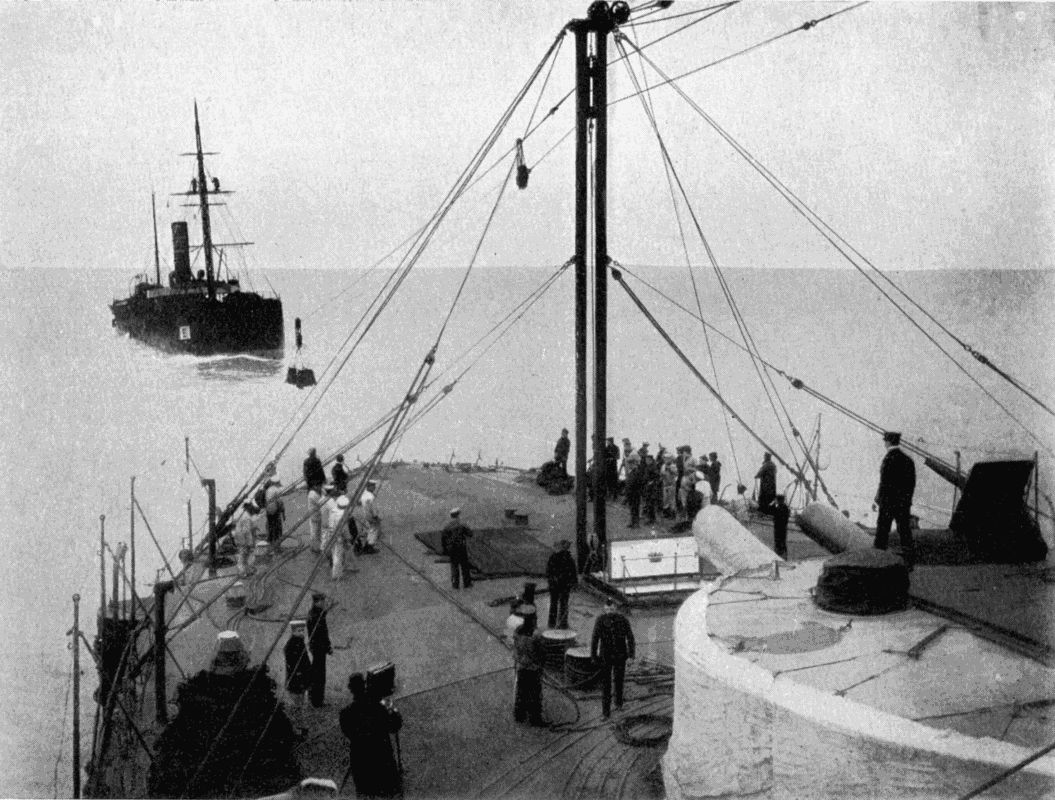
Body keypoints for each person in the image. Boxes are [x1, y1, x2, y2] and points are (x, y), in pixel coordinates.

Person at [339, 673, 403, 798]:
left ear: (350, 689)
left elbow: (348, 733)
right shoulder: (379, 708)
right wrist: (392, 709)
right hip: (383, 760)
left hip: (361, 762)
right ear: (365, 685)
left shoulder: (346, 713)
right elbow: (395, 726)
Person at [872, 431, 916, 567]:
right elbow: (911, 484)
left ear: (888, 442)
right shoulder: (908, 460)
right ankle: (909, 563)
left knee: (882, 532)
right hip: (903, 504)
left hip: (888, 503)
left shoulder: (888, 459)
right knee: (905, 532)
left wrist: (878, 499)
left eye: (885, 441)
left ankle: (878, 563)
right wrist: (907, 501)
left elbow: (884, 483)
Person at [590, 598, 635, 719]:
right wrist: (594, 656)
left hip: (620, 656)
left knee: (619, 681)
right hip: (606, 657)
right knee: (606, 685)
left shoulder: (623, 620)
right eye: (607, 609)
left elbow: (630, 637)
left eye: (612, 609)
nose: (610, 611)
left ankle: (619, 704)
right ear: (604, 609)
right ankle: (606, 712)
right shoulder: (600, 620)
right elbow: (595, 639)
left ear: (616, 608)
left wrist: (631, 655)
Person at [512, 606, 546, 726]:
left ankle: (519, 715)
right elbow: (541, 652)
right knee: (535, 694)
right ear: (533, 619)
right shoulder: (536, 635)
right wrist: (541, 664)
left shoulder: (517, 631)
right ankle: (535, 718)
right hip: (533, 668)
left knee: (521, 692)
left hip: (521, 667)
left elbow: (515, 648)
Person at [283, 620, 312, 735]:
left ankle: (300, 725)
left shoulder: (300, 642)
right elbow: (293, 663)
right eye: (299, 630)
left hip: (302, 679)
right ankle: (298, 727)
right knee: (297, 705)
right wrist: (299, 673)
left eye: (302, 630)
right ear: (293, 631)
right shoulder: (291, 645)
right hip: (296, 680)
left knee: (300, 704)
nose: (302, 632)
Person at [307, 593, 332, 708]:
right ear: (317, 602)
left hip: (316, 648)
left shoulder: (314, 613)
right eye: (322, 601)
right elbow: (322, 634)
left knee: (317, 673)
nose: (324, 603)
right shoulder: (316, 616)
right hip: (319, 648)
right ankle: (317, 701)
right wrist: (328, 647)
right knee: (319, 675)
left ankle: (314, 698)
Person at [545, 540, 577, 629]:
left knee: (555, 604)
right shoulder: (568, 558)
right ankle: (562, 623)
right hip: (563, 585)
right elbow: (573, 572)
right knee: (563, 604)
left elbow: (548, 572)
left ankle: (552, 623)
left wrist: (551, 581)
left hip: (557, 585)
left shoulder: (554, 557)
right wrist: (574, 583)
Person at [441, 507, 473, 589]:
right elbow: (470, 533)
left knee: (454, 567)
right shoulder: (462, 525)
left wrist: (445, 550)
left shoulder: (447, 526)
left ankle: (455, 584)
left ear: (451, 516)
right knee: (465, 566)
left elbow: (443, 539)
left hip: (452, 549)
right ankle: (467, 583)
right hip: (461, 548)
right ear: (458, 515)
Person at [323, 492, 348, 580]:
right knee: (338, 555)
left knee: (334, 552)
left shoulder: (333, 511)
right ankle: (336, 575)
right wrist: (347, 538)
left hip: (330, 534)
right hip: (338, 537)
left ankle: (335, 567)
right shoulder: (342, 516)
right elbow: (344, 530)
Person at [233, 501, 259, 577]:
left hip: (240, 537)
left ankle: (245, 571)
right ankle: (243, 572)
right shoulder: (246, 518)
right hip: (243, 539)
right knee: (244, 555)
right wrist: (250, 543)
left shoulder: (244, 515)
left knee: (244, 555)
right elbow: (246, 531)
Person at [359, 480, 382, 554]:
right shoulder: (371, 497)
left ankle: (367, 544)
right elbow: (372, 509)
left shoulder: (364, 494)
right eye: (373, 486)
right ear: (369, 486)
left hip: (365, 514)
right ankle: (369, 547)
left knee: (369, 530)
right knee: (374, 531)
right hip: (371, 516)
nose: (374, 487)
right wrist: (376, 517)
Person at [264, 478, 286, 555]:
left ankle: (270, 546)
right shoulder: (277, 490)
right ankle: (277, 548)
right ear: (277, 483)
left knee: (271, 529)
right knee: (278, 530)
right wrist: (283, 513)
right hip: (275, 512)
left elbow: (266, 501)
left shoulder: (268, 490)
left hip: (268, 511)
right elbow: (280, 502)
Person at [624, 452, 643, 528]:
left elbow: (637, 482)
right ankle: (633, 522)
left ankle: (636, 523)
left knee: (635, 508)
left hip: (635, 492)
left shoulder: (636, 472)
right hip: (631, 492)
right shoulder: (631, 472)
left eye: (630, 464)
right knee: (632, 508)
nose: (629, 465)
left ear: (633, 464)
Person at [772, 494, 790, 559]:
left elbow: (775, 518)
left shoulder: (779, 508)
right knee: (782, 541)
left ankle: (780, 555)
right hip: (783, 528)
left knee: (779, 542)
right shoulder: (785, 508)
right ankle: (783, 555)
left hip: (778, 528)